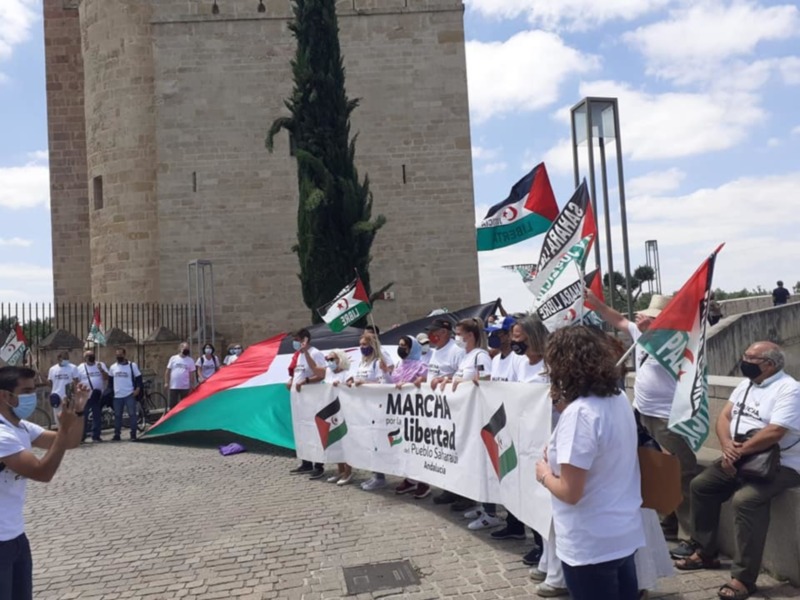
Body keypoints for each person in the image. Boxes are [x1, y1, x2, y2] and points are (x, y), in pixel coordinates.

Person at [674, 342, 800, 600]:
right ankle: (705, 551)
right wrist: (727, 446)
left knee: (746, 501)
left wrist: (738, 452)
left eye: (752, 358)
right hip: (742, 457)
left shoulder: (790, 389)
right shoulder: (746, 385)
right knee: (702, 486)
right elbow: (724, 417)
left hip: (780, 464)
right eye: (745, 355)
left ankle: (743, 578)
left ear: (770, 364)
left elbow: (776, 431)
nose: (745, 361)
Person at [536, 326, 645, 600]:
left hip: (590, 541)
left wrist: (544, 474)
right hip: (623, 531)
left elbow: (570, 492)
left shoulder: (580, 414)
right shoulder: (618, 398)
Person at [588, 290, 692, 544]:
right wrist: (596, 303)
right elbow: (618, 320)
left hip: (667, 417)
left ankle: (690, 536)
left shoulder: (675, 340)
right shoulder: (642, 334)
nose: (642, 317)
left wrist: (650, 328)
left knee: (680, 473)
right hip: (643, 413)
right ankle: (666, 521)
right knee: (655, 471)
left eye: (650, 316)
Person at [0, 366, 89, 600]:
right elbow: (42, 472)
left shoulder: (20, 427)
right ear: (5, 396)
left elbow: (69, 442)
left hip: (15, 535)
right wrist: (63, 430)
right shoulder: (1, 435)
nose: (33, 396)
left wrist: (78, 411)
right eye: (26, 391)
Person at [463, 316, 516, 532]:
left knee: (512, 474)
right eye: (491, 333)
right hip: (497, 423)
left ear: (508, 335)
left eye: (497, 333)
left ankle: (514, 522)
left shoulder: (517, 359)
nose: (493, 337)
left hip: (512, 424)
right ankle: (506, 519)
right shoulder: (495, 360)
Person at [421, 318, 465, 505]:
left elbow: (462, 376)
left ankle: (464, 494)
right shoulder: (435, 352)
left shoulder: (456, 351)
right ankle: (450, 489)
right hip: (437, 411)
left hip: (453, 410)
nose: (431, 335)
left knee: (457, 451)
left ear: (446, 332)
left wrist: (445, 379)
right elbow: (432, 373)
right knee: (443, 450)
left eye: (435, 331)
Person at [349, 334, 392, 491]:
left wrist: (365, 383)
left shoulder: (377, 363)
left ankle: (380, 477)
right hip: (363, 409)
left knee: (376, 443)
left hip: (376, 408)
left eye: (364, 344)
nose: (362, 347)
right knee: (368, 442)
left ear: (372, 345)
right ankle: (374, 473)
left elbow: (383, 383)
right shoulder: (362, 363)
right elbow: (357, 378)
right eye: (360, 344)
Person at [392, 336, 431, 498]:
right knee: (405, 446)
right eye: (400, 345)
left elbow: (425, 383)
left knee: (418, 447)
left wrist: (420, 381)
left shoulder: (421, 366)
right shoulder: (398, 365)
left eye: (404, 346)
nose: (401, 348)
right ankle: (411, 479)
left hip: (417, 413)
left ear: (412, 348)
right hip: (401, 412)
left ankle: (424, 481)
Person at [287, 329, 326, 478]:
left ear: (305, 339)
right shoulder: (299, 355)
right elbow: (299, 372)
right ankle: (306, 462)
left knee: (314, 430)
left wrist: (307, 381)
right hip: (299, 400)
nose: (295, 342)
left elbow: (322, 374)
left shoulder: (315, 353)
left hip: (312, 399)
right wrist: (291, 381)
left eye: (297, 339)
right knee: (302, 430)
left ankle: (319, 465)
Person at [322, 349, 354, 486]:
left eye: (332, 359)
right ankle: (340, 470)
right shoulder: (328, 373)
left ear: (339, 359)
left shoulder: (347, 374)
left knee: (346, 442)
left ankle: (348, 471)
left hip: (344, 411)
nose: (329, 362)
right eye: (328, 359)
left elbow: (351, 387)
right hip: (330, 410)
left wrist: (341, 385)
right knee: (335, 441)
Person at [108, 348, 142, 441]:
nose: (118, 356)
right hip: (117, 395)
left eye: (120, 354)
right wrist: (111, 392)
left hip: (129, 394)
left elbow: (139, 378)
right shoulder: (113, 367)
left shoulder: (132, 365)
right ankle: (117, 434)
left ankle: (133, 434)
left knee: (132, 414)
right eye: (117, 355)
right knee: (118, 415)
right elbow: (110, 382)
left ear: (124, 355)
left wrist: (137, 389)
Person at [76, 348, 109, 443]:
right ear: (85, 358)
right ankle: (82, 436)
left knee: (97, 415)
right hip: (85, 395)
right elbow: (77, 381)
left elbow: (106, 378)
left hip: (97, 395)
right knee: (84, 416)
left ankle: (96, 435)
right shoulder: (80, 368)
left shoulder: (100, 364)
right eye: (89, 356)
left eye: (92, 355)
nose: (91, 357)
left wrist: (101, 370)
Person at [47, 351, 78, 428]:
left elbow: (76, 382)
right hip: (56, 397)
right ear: (59, 358)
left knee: (70, 419)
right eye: (64, 358)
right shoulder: (52, 369)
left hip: (68, 397)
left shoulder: (73, 368)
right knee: (58, 419)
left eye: (67, 358)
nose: (66, 360)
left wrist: (74, 395)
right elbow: (50, 383)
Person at [164, 342, 197, 410]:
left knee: (184, 405)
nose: (186, 350)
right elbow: (168, 371)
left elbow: (191, 374)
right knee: (173, 405)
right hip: (174, 386)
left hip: (185, 387)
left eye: (188, 349)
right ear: (180, 348)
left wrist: (192, 384)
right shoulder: (173, 358)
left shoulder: (190, 360)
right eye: (185, 348)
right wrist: (166, 382)